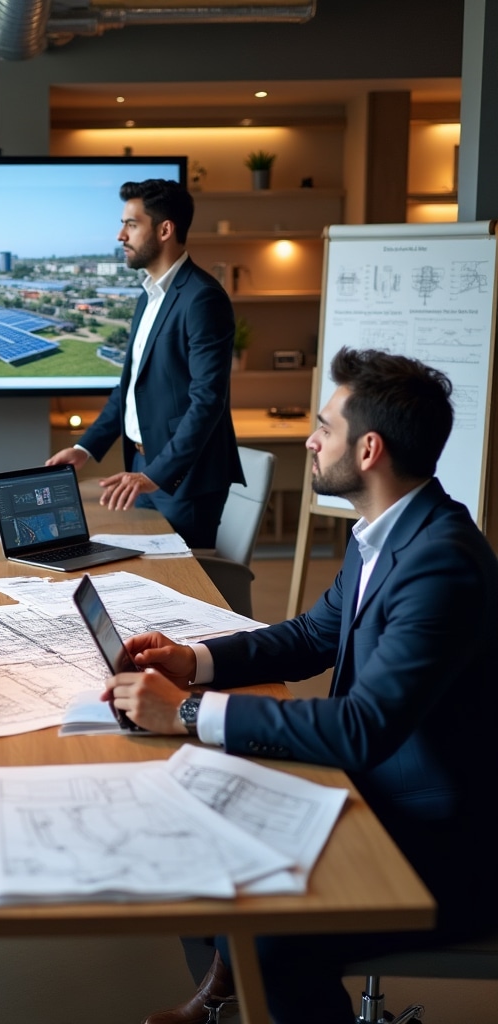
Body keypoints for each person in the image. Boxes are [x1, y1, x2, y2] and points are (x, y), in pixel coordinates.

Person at [104, 348, 498, 1024]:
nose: (311, 440)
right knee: (199, 845)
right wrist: (190, 661)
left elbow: (361, 728)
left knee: (272, 931)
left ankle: (245, 980)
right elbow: (311, 636)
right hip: (379, 790)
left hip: (445, 840)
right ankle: (227, 987)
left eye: (324, 426)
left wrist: (189, 712)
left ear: (368, 450)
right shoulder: (387, 531)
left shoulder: (441, 565)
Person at [47, 178, 243, 548]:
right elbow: (129, 388)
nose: (121, 235)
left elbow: (208, 400)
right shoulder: (148, 295)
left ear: (165, 229)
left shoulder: (202, 298)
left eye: (131, 224)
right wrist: (85, 449)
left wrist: (157, 473)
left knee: (185, 590)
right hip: (143, 468)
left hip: (184, 478)